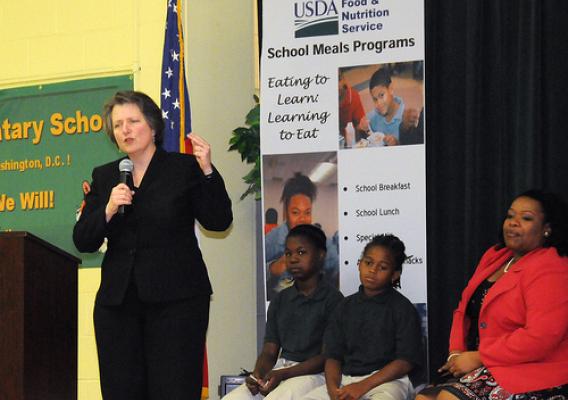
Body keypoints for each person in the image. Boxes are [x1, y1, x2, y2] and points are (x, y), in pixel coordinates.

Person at [73, 91, 232, 399]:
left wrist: (208, 171)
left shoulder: (183, 168)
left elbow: (218, 221)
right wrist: (106, 209)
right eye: (118, 125)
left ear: (154, 127)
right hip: (118, 306)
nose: (125, 130)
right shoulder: (106, 176)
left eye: (133, 121)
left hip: (177, 303)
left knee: (172, 389)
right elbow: (83, 240)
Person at [422, 190, 568, 400]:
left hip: (534, 369)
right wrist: (456, 352)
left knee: (448, 398)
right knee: (424, 397)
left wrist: (480, 357)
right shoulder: (496, 256)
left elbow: (540, 337)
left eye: (526, 218)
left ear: (547, 229)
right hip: (485, 362)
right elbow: (463, 309)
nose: (513, 223)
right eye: (510, 216)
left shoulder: (552, 266)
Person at [224, 224, 344, 400]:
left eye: (301, 252)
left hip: (315, 375)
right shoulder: (280, 299)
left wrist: (284, 374)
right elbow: (270, 352)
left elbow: (327, 357)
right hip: (282, 369)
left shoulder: (333, 300)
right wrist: (258, 374)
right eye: (288, 253)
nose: (293, 258)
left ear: (320, 255)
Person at [304, 234, 423, 400]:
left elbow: (405, 361)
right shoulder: (344, 307)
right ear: (360, 264)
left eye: (382, 267)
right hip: (346, 381)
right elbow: (333, 357)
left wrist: (362, 386)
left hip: (388, 382)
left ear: (394, 275)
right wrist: (333, 391)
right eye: (368, 263)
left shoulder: (403, 309)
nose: (373, 270)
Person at [265, 172, 339, 300]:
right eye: (295, 212)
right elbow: (255, 274)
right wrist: (272, 269)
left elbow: (338, 268)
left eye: (307, 212)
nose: (302, 219)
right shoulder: (273, 240)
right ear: (285, 213)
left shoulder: (322, 241)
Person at [366, 67, 421, 146]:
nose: (378, 103)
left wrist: (397, 144)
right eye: (375, 99)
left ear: (391, 89)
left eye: (381, 95)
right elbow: (365, 129)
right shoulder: (374, 115)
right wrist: (363, 128)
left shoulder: (406, 119)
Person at [338, 69, 369, 147]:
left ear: (344, 80)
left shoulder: (353, 96)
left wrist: (363, 127)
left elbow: (360, 126)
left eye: (338, 79)